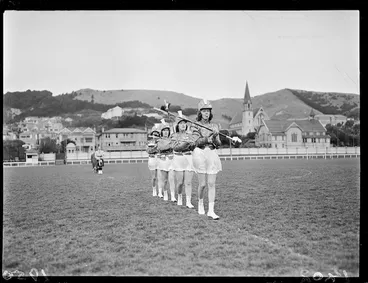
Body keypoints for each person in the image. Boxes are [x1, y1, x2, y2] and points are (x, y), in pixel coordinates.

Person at [191, 99, 222, 220]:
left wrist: (215, 136)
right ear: (200, 112)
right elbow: (196, 141)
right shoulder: (195, 125)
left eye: (208, 111)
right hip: (200, 153)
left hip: (212, 153)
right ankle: (200, 203)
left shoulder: (214, 126)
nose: (206, 113)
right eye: (204, 111)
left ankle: (211, 210)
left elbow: (218, 144)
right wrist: (207, 138)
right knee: (203, 184)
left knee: (211, 183)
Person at [170, 113, 196, 208]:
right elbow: (175, 147)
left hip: (188, 158)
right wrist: (185, 144)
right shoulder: (174, 135)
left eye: (184, 123)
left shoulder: (190, 135)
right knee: (180, 182)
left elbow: (193, 148)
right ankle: (179, 196)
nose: (183, 125)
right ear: (177, 125)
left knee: (188, 182)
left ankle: (188, 201)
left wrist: (193, 144)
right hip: (178, 159)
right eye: (181, 123)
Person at [156, 120, 176, 201]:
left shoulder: (172, 139)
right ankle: (165, 194)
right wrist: (170, 145)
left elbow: (174, 146)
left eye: (167, 131)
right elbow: (161, 147)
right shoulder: (159, 140)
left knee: (172, 179)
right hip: (163, 161)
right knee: (164, 180)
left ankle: (173, 196)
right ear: (161, 132)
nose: (165, 132)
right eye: (164, 131)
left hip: (171, 160)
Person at [146, 124, 160, 197]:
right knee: (154, 177)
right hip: (152, 159)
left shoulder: (161, 141)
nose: (155, 135)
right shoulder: (149, 142)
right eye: (154, 134)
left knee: (161, 177)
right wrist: (155, 148)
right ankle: (154, 189)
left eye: (157, 134)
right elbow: (148, 151)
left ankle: (160, 191)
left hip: (160, 159)